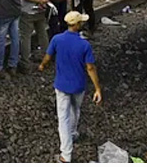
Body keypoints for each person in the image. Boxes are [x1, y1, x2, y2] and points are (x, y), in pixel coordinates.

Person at [38, 12, 102, 163]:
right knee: (75, 109)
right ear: (78, 25)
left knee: (63, 118)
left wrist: (42, 65)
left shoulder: (57, 39)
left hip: (62, 85)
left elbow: (48, 56)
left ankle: (66, 154)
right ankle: (73, 133)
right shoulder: (84, 45)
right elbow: (90, 68)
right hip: (79, 85)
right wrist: (97, 88)